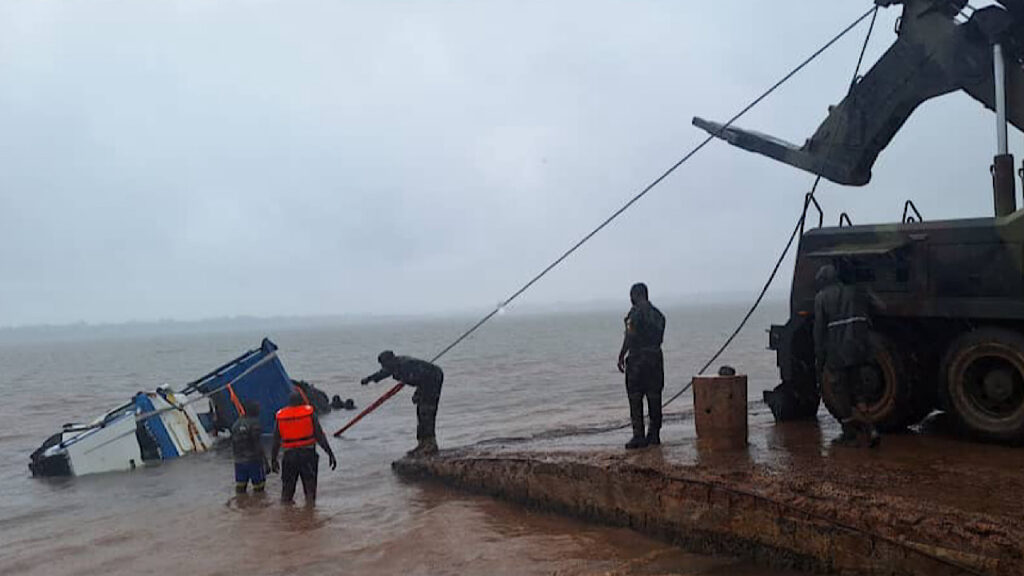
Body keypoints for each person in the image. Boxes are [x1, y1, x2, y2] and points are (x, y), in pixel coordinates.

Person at [813, 263, 881, 447]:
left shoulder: (821, 298)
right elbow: (874, 310)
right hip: (859, 348)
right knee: (859, 391)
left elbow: (819, 331)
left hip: (838, 351)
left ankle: (849, 432)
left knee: (840, 392)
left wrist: (820, 358)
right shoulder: (856, 291)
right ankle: (871, 428)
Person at [361, 351, 444, 456]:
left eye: (385, 364)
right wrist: (369, 379)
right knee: (420, 413)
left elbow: (422, 379)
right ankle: (422, 444)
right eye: (382, 365)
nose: (384, 367)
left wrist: (417, 394)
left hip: (433, 379)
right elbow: (383, 372)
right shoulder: (394, 365)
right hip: (425, 380)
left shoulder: (407, 366)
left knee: (426, 412)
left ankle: (430, 445)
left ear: (391, 360)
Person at [617, 282, 666, 450]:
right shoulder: (659, 316)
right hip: (655, 359)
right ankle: (654, 435)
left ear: (636, 295)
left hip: (638, 360)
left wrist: (621, 355)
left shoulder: (634, 315)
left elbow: (630, 336)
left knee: (635, 398)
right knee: (655, 397)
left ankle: (638, 436)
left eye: (632, 296)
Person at [271, 392, 337, 505]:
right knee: (310, 490)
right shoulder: (309, 413)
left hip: (289, 456)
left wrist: (273, 459)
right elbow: (319, 436)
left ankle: (287, 518)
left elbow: (276, 440)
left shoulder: (281, 416)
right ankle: (310, 515)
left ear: (289, 403)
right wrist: (330, 454)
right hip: (307, 455)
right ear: (302, 401)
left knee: (287, 492)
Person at [231, 402, 268, 494]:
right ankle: (256, 507)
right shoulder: (254, 423)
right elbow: (257, 444)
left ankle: (240, 505)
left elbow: (233, 444)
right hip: (253, 461)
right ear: (253, 411)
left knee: (240, 488)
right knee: (259, 489)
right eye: (258, 409)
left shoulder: (236, 424)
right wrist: (266, 462)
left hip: (239, 461)